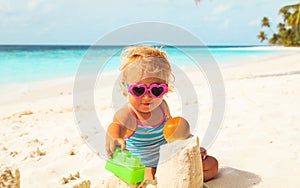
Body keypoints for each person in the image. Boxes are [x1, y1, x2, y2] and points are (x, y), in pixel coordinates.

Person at [105, 46, 218, 181]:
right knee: (148, 175)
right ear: (125, 85)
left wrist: (188, 148)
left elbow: (172, 136)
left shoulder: (162, 107)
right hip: (141, 167)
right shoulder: (128, 114)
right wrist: (114, 138)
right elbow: (116, 125)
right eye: (139, 90)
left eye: (156, 90)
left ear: (166, 88)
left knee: (212, 165)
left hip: (166, 160)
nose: (147, 97)